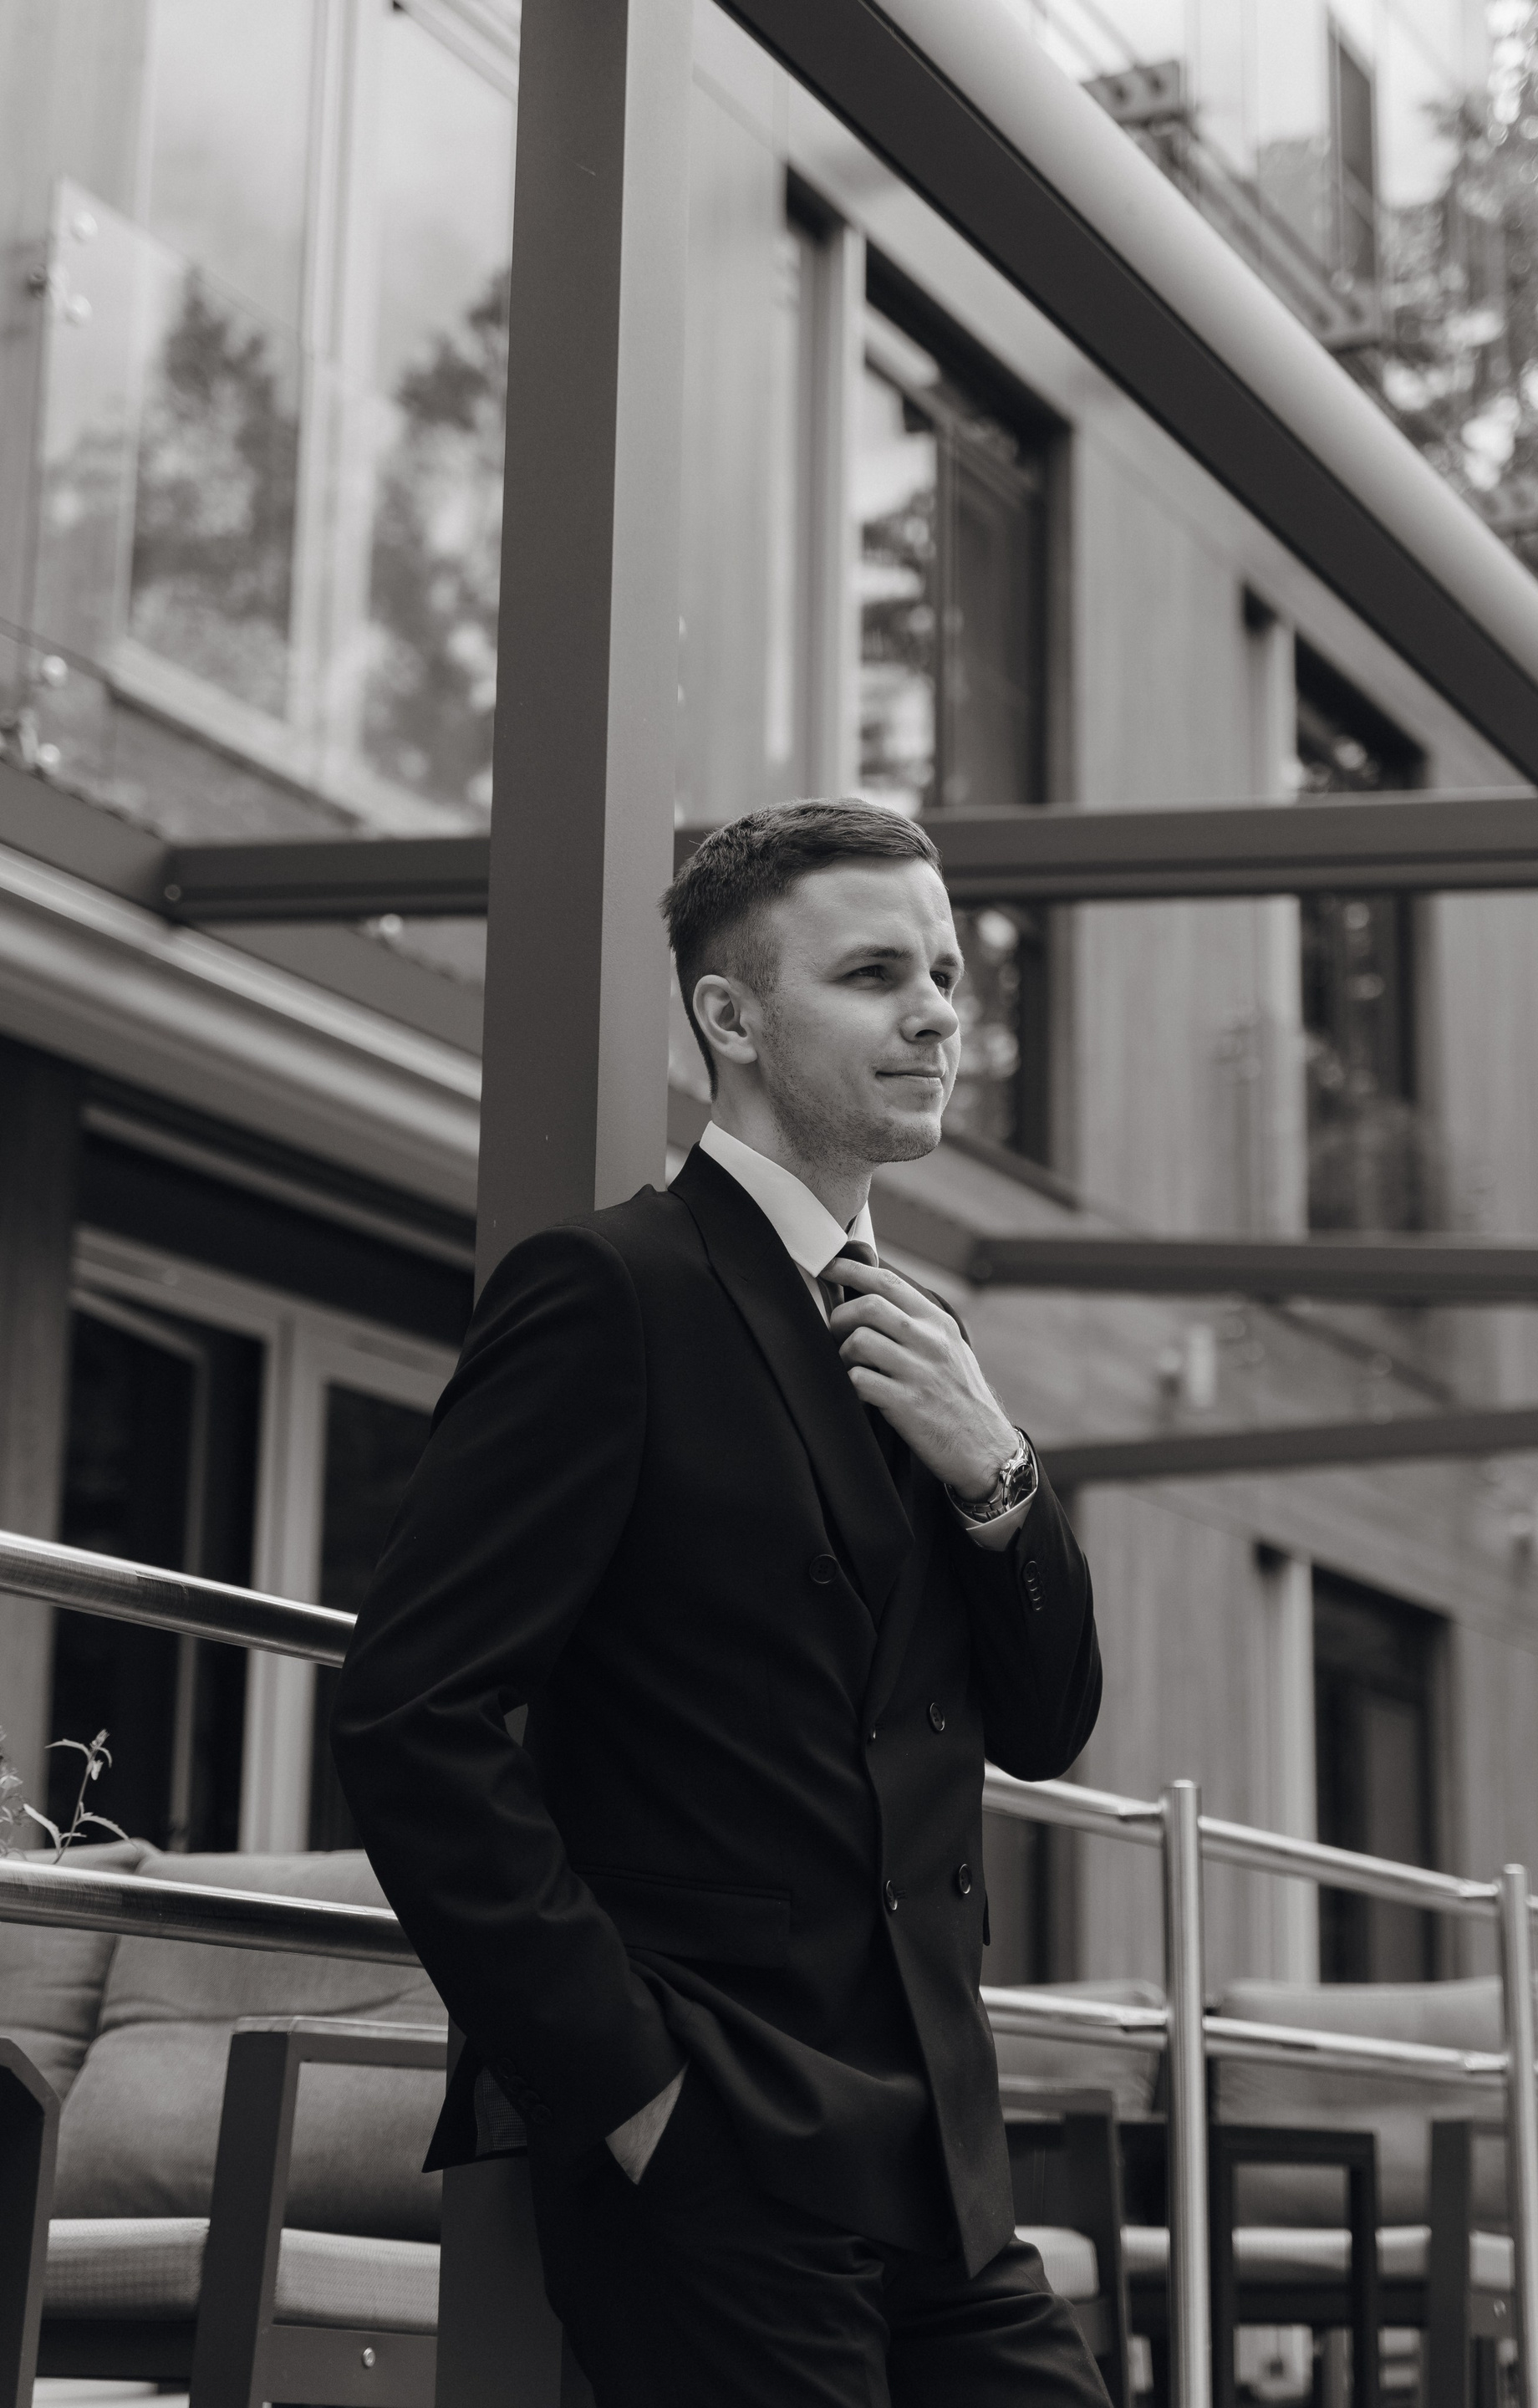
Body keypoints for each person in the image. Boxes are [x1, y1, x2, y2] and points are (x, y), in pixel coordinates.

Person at [331, 800, 1105, 2406]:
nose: (937, 1014)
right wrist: (629, 2094)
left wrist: (1001, 1476)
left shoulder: (927, 1337)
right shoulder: (611, 1293)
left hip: (940, 2151)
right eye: (875, 974)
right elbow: (417, 1714)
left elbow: (1047, 1725)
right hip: (718, 2138)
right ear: (731, 1018)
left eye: (946, 974)